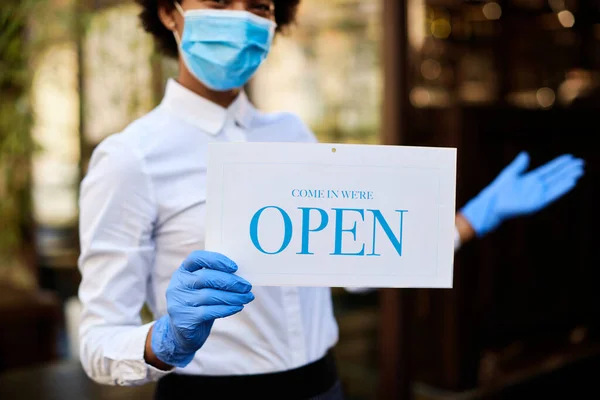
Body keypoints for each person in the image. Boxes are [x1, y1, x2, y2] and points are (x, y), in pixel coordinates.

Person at [76, 0, 585, 399]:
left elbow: (357, 262)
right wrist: (164, 340)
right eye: (218, 0)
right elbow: (97, 342)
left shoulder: (290, 134)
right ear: (169, 11)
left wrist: (474, 217)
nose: (240, 19)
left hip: (324, 387)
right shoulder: (131, 157)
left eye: (258, 6)